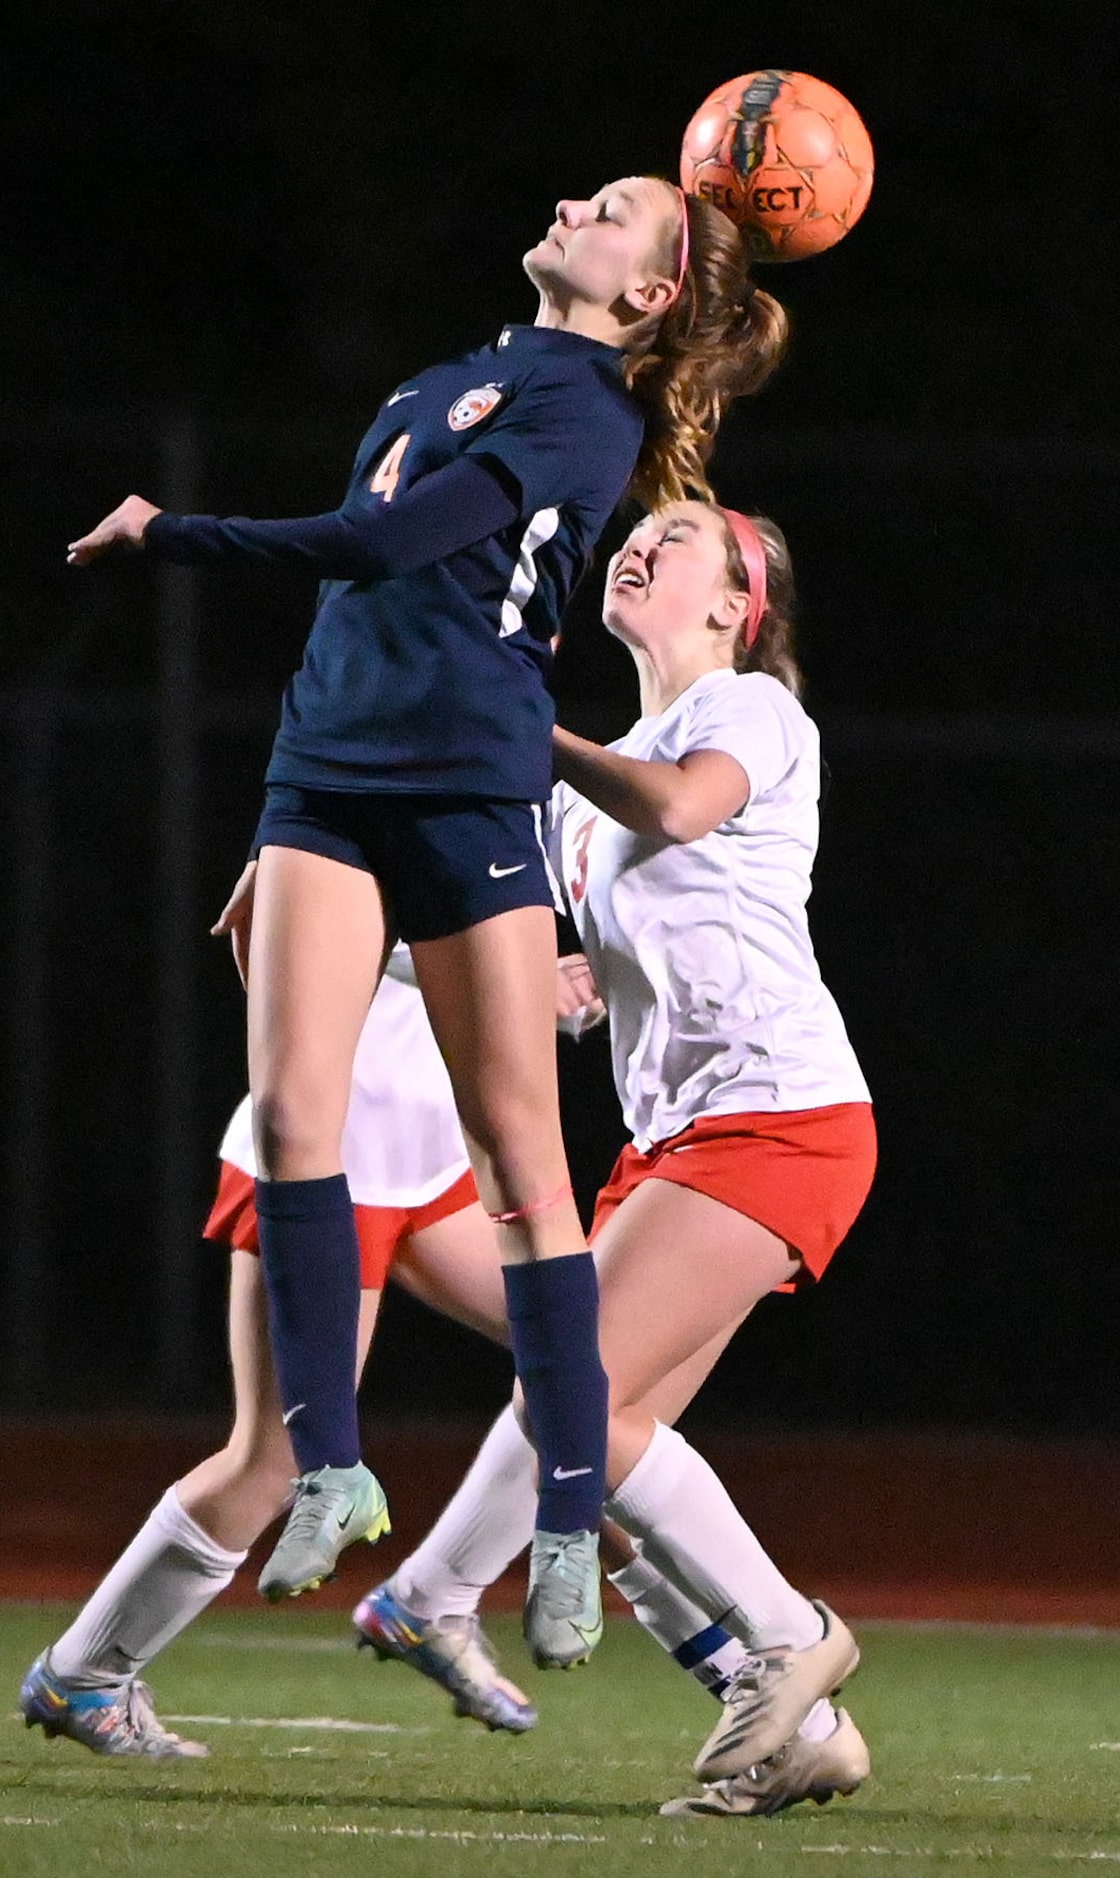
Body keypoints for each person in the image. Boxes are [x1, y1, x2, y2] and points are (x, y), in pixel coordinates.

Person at [64, 177, 788, 1658]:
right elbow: (366, 586)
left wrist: (174, 537)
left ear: (648, 295)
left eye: (612, 210)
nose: (571, 203)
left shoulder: (593, 409)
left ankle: (569, 1522)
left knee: (521, 1152)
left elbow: (391, 546)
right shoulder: (446, 375)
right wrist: (281, 793)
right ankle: (328, 1466)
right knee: (286, 1120)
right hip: (322, 768)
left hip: (466, 775)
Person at [354, 500, 878, 1820]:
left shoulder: (749, 712)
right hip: (674, 1140)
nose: (643, 541)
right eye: (639, 530)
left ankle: (778, 1629)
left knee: (569, 1390)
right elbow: (512, 953)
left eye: (684, 535)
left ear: (734, 604)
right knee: (609, 1446)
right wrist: (337, 923)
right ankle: (801, 1729)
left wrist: (526, 729)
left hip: (781, 1116)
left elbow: (683, 813)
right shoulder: (584, 798)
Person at [16, 919, 805, 1763]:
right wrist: (494, 973)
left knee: (593, 1387)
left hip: (430, 1164)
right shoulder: (356, 789)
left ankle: (442, 1602)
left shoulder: (505, 805)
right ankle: (85, 1674)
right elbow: (287, 925)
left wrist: (544, 990)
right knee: (276, 1458)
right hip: (331, 1162)